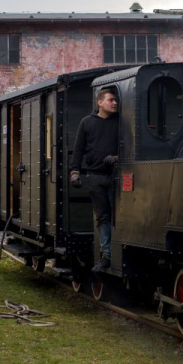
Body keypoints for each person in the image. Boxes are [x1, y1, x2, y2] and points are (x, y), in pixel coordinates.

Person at [70, 89, 119, 271]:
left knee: (118, 216)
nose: (114, 103)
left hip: (117, 176)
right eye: (110, 100)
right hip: (95, 176)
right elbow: (78, 149)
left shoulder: (120, 122)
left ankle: (116, 254)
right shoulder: (87, 122)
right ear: (100, 103)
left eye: (115, 100)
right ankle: (107, 255)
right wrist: (75, 171)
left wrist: (117, 157)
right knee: (102, 217)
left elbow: (130, 145)